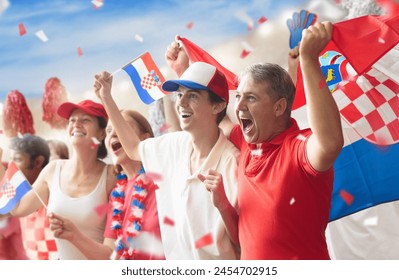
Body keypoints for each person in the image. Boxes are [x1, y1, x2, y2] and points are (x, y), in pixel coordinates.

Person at [212, 21, 343, 259]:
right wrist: (184, 70)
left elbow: (330, 142)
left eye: (250, 98)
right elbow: (213, 118)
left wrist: (309, 60)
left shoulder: (298, 150)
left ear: (279, 107)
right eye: (238, 96)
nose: (238, 105)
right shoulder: (245, 141)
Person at [94, 60, 240, 259]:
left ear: (218, 106)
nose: (181, 103)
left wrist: (223, 204)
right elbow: (134, 148)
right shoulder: (175, 145)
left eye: (193, 96)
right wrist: (106, 98)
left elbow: (242, 239)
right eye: (180, 95)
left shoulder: (232, 162)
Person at [48, 109, 165, 260]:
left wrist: (106, 96)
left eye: (122, 126)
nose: (113, 134)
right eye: (109, 130)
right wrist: (73, 235)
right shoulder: (117, 195)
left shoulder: (162, 178)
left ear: (145, 139)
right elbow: (109, 256)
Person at [8, 100, 116, 259]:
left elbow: (111, 255)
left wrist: (74, 235)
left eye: (85, 120)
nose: (76, 124)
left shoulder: (112, 176)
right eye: (72, 120)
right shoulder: (53, 170)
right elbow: (18, 208)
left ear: (101, 133)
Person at [8, 134, 59, 260]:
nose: (11, 166)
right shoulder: (19, 198)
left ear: (38, 162)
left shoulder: (57, 198)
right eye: (11, 160)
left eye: (18, 159)